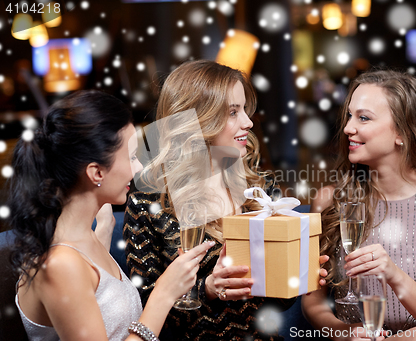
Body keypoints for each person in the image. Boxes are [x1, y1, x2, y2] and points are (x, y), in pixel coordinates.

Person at [123, 60, 328, 340]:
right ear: (195, 120)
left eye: (244, 109)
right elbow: (145, 311)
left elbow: (279, 305)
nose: (248, 122)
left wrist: (299, 273)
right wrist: (206, 289)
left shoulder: (261, 189)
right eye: (233, 112)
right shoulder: (148, 203)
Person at [9, 90, 214, 341]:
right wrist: (163, 294)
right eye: (131, 157)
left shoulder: (84, 237)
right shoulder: (61, 264)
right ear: (96, 173)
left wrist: (104, 222)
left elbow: (96, 292)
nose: (139, 168)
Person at [301, 69, 416, 341]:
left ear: (402, 133)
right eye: (349, 116)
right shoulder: (328, 200)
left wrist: (393, 274)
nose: (348, 128)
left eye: (364, 118)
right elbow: (312, 303)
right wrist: (344, 333)